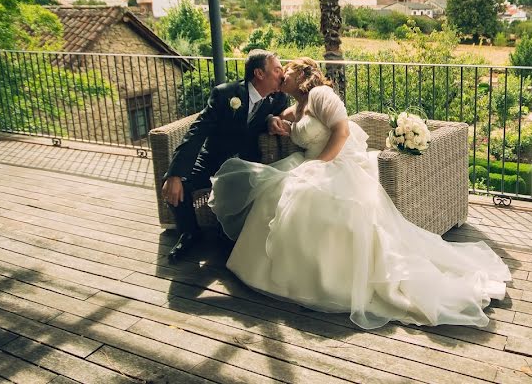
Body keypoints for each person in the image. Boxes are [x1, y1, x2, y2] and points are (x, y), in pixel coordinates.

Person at [208, 57, 511, 329]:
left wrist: (318, 166)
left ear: (301, 75)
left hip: (336, 164)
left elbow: (341, 131)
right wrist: (275, 122)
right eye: (277, 71)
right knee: (273, 195)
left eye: (285, 71)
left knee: (308, 203)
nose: (281, 75)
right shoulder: (296, 105)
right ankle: (279, 276)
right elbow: (284, 120)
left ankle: (326, 282)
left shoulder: (320, 94)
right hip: (310, 163)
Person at [161, 49, 290, 262]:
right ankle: (189, 233)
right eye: (277, 70)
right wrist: (174, 174)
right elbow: (197, 131)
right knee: (176, 184)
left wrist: (269, 119)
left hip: (246, 163)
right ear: (259, 73)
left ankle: (230, 238)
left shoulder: (278, 99)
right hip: (212, 157)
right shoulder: (225, 94)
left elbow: (276, 114)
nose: (282, 74)